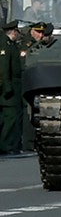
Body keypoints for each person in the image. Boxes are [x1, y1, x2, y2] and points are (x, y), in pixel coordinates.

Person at [0, 20, 24, 155]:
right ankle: (6, 145)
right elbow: (4, 68)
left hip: (13, 85)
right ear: (13, 32)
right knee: (10, 117)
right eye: (16, 31)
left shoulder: (11, 44)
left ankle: (11, 144)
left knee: (11, 117)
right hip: (9, 88)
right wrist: (7, 87)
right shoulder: (5, 44)